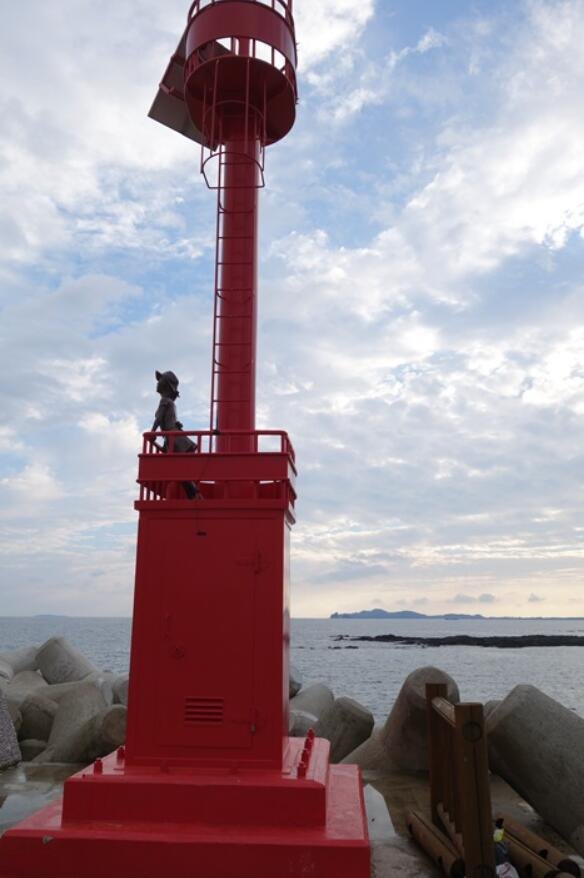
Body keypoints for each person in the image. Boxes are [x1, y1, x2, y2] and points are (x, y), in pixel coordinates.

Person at [152, 370, 201, 499]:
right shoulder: (171, 403)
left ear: (166, 385)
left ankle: (194, 495)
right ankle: (194, 495)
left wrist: (152, 432)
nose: (157, 383)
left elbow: (159, 418)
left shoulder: (164, 401)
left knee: (178, 470)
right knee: (179, 470)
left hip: (173, 438)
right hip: (174, 437)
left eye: (160, 380)